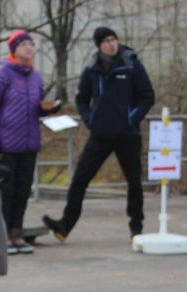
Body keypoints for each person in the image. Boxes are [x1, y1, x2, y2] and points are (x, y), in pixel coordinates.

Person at [43, 26, 155, 243]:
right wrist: (90, 119)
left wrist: (131, 119)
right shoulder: (92, 69)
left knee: (134, 183)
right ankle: (65, 226)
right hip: (100, 134)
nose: (112, 44)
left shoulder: (131, 64)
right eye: (106, 41)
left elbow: (147, 96)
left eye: (114, 39)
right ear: (99, 45)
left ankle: (136, 228)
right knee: (79, 180)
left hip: (127, 135)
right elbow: (81, 99)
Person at [0, 30, 61, 255]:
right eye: (24, 44)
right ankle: (3, 234)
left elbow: (35, 107)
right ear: (13, 48)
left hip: (29, 143)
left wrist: (49, 109)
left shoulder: (36, 76)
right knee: (5, 191)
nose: (29, 47)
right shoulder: (1, 74)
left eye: (31, 44)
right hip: (6, 144)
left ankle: (16, 232)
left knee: (23, 190)